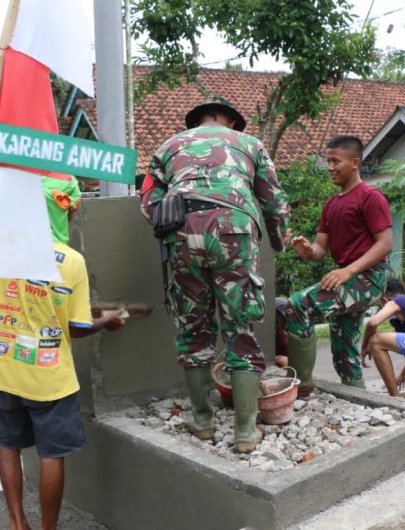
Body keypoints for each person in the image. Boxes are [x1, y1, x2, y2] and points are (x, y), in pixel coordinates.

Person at [0, 178, 126, 530]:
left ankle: (17, 522)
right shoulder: (70, 261)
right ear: (62, 209)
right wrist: (108, 320)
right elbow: (77, 328)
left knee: (8, 445)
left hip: (2, 368)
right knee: (51, 455)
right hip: (49, 379)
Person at [140, 95, 289, 453]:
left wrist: (172, 229)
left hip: (181, 234)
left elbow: (147, 201)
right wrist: (278, 243)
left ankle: (203, 421)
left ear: (196, 123)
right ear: (231, 122)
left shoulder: (168, 145)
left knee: (193, 329)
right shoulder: (249, 144)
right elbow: (274, 202)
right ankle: (244, 432)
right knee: (240, 330)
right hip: (233, 231)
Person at [282, 135, 393, 393]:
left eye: (335, 161)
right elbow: (321, 249)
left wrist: (349, 270)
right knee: (344, 350)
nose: (330, 167)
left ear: (355, 163)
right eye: (327, 161)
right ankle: (361, 399)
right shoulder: (331, 204)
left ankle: (300, 385)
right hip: (348, 279)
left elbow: (385, 243)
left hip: (369, 278)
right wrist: (308, 250)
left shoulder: (370, 197)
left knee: (298, 304)